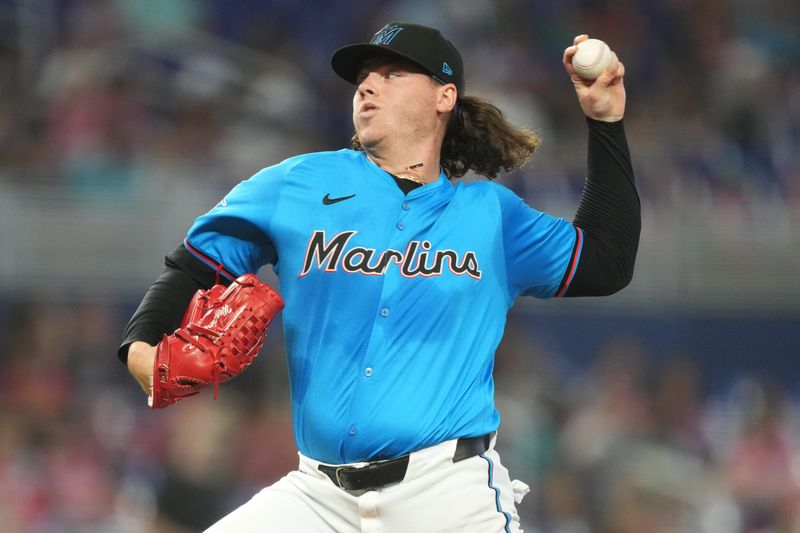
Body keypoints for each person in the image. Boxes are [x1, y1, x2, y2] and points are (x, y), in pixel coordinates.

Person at [120, 22, 640, 533]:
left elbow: (607, 261)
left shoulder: (493, 217)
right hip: (317, 496)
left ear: (444, 96)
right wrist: (139, 347)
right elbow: (195, 263)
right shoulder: (299, 184)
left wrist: (606, 122)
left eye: (392, 73)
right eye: (364, 76)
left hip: (447, 494)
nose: (367, 85)